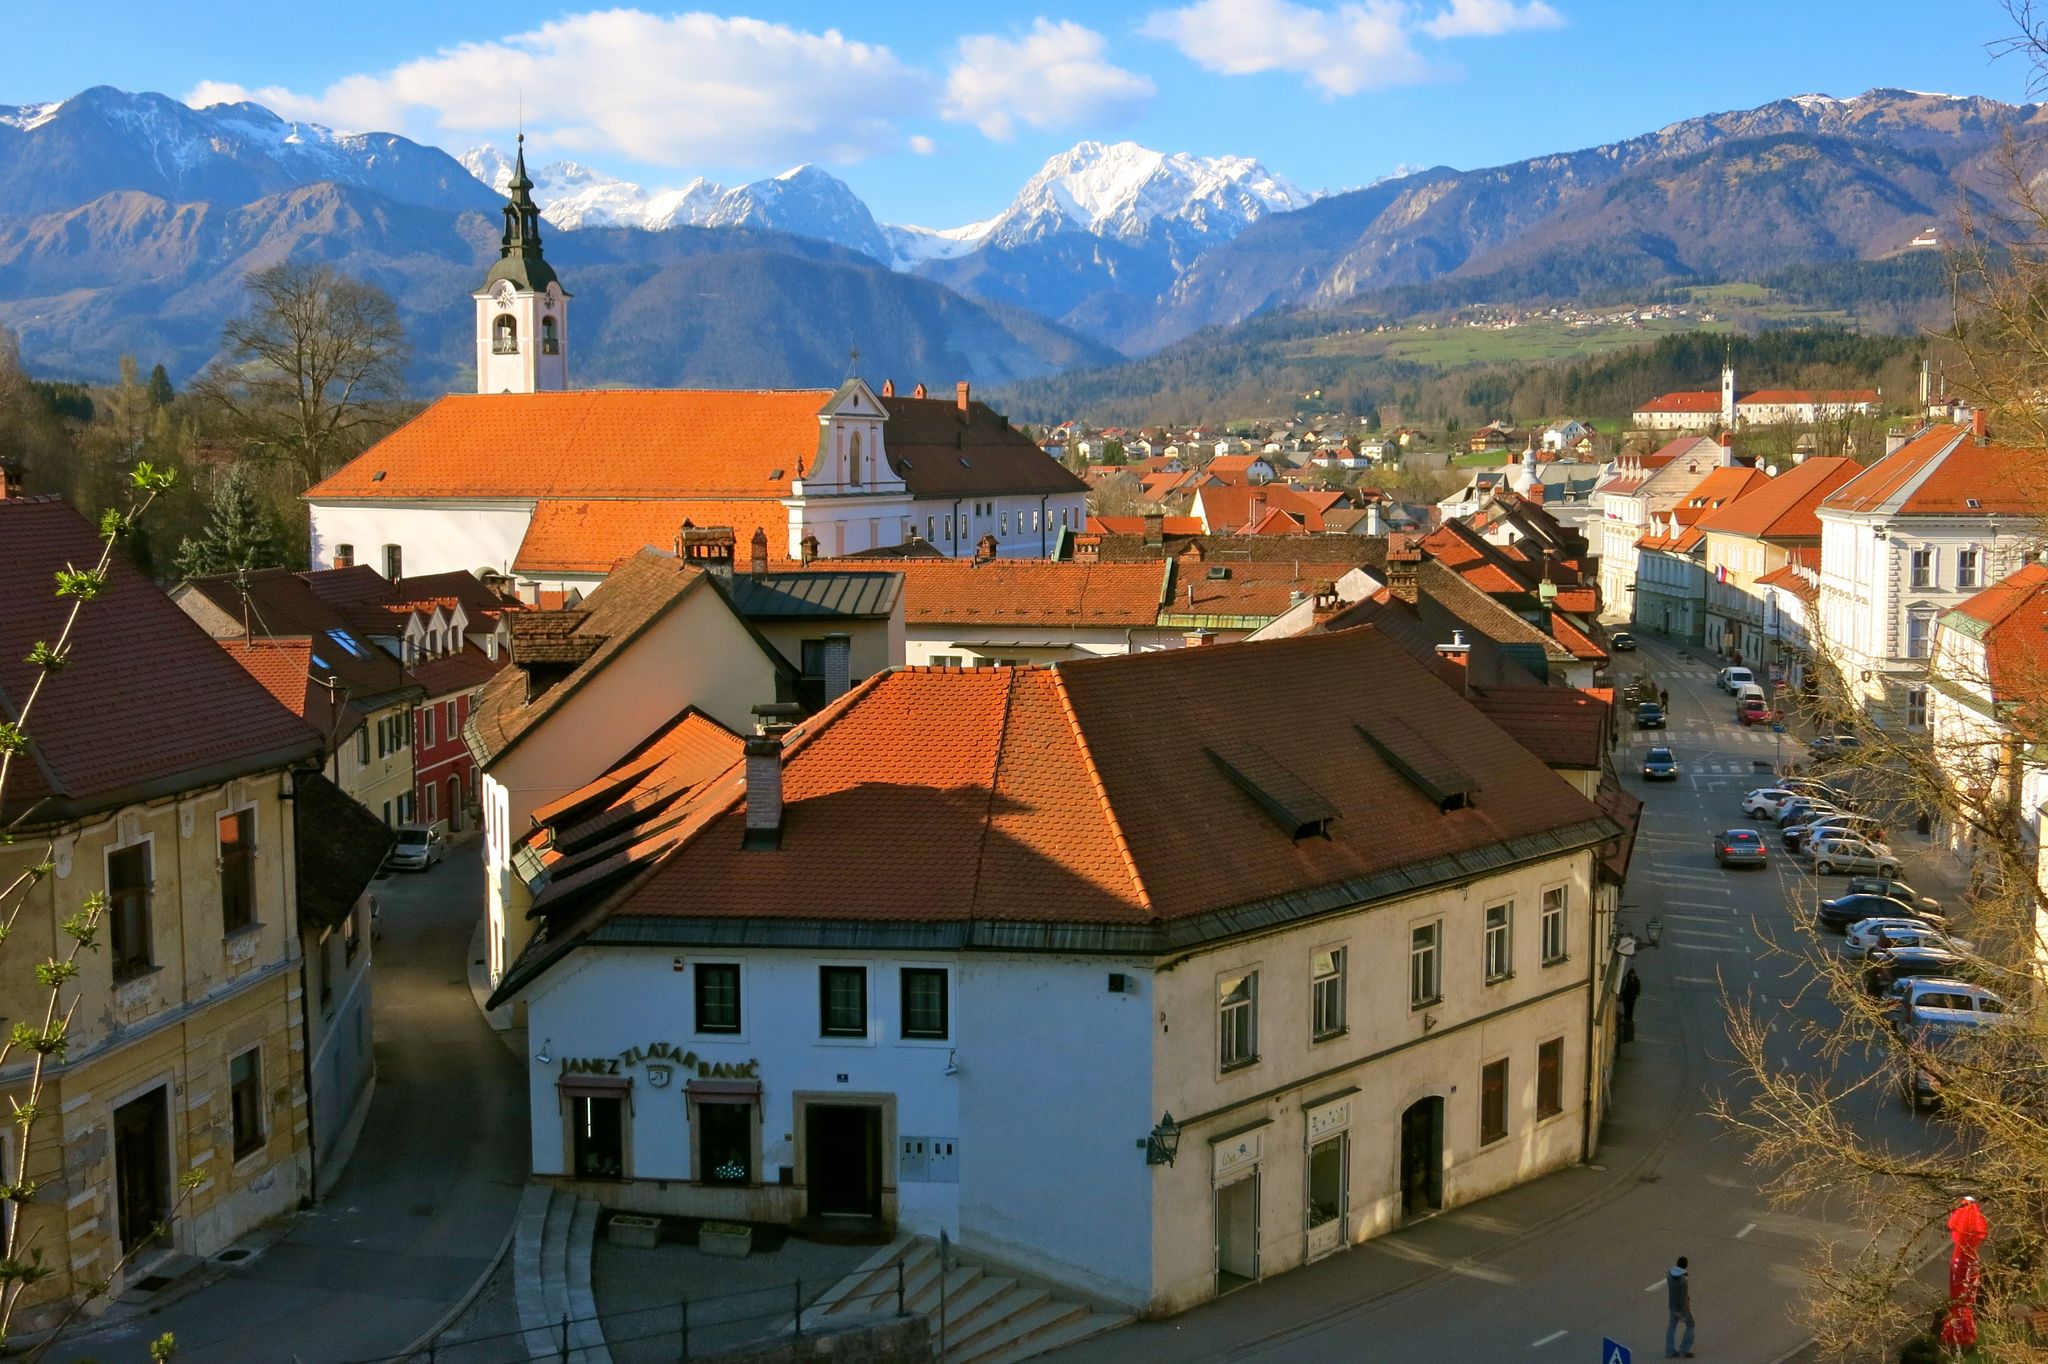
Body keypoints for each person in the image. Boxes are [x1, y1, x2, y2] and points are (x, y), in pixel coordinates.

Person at [1667, 1255, 1695, 1357]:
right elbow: (1683, 1298)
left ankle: (1669, 1351)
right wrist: (1684, 1313)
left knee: (1671, 1328)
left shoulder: (1669, 1274)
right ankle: (1684, 1350)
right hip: (1681, 1308)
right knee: (1691, 1325)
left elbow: (1675, 1272)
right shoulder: (1683, 1281)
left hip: (1672, 1306)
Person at [1619, 966, 1642, 1041]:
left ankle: (1629, 1018)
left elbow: (1638, 988)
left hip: (1632, 998)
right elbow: (1623, 987)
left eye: (1633, 974)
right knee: (1627, 1007)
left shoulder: (1636, 980)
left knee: (1631, 1008)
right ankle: (1627, 1018)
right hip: (1626, 997)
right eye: (1632, 974)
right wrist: (1621, 995)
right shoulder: (1626, 979)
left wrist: (1637, 994)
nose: (1632, 975)